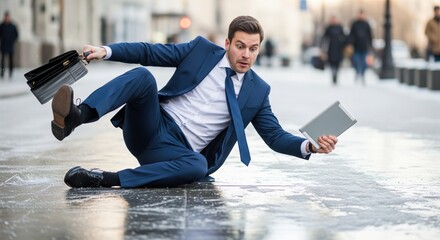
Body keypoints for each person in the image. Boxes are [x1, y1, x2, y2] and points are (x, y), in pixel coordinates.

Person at [51, 16, 338, 188]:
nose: (246, 55)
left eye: (253, 49)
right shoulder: (200, 51)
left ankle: (105, 179)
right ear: (227, 43)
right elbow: (151, 52)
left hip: (175, 153)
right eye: (240, 46)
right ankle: (77, 116)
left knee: (197, 166)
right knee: (142, 76)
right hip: (150, 125)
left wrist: (310, 145)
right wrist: (106, 51)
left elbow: (274, 136)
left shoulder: (257, 91)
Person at [349, 9, 373, 84]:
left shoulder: (366, 24)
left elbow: (370, 36)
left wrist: (370, 45)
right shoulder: (354, 24)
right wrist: (350, 43)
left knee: (364, 63)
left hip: (364, 47)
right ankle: (357, 72)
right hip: (356, 47)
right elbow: (351, 35)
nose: (360, 16)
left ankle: (362, 74)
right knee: (356, 61)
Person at [322, 16, 346, 85]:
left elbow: (344, 37)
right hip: (330, 48)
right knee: (331, 63)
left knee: (337, 63)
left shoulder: (340, 28)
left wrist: (344, 45)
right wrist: (323, 50)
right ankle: (333, 73)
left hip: (339, 48)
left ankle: (336, 74)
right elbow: (324, 39)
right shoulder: (328, 28)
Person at [0, 11, 19, 79]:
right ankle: (2, 72)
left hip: (10, 45)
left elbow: (16, 35)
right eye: (6, 17)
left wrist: (12, 40)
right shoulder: (1, 25)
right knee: (3, 60)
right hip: (4, 44)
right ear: (4, 17)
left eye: (8, 17)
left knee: (11, 59)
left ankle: (11, 72)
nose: (7, 18)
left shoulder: (13, 26)